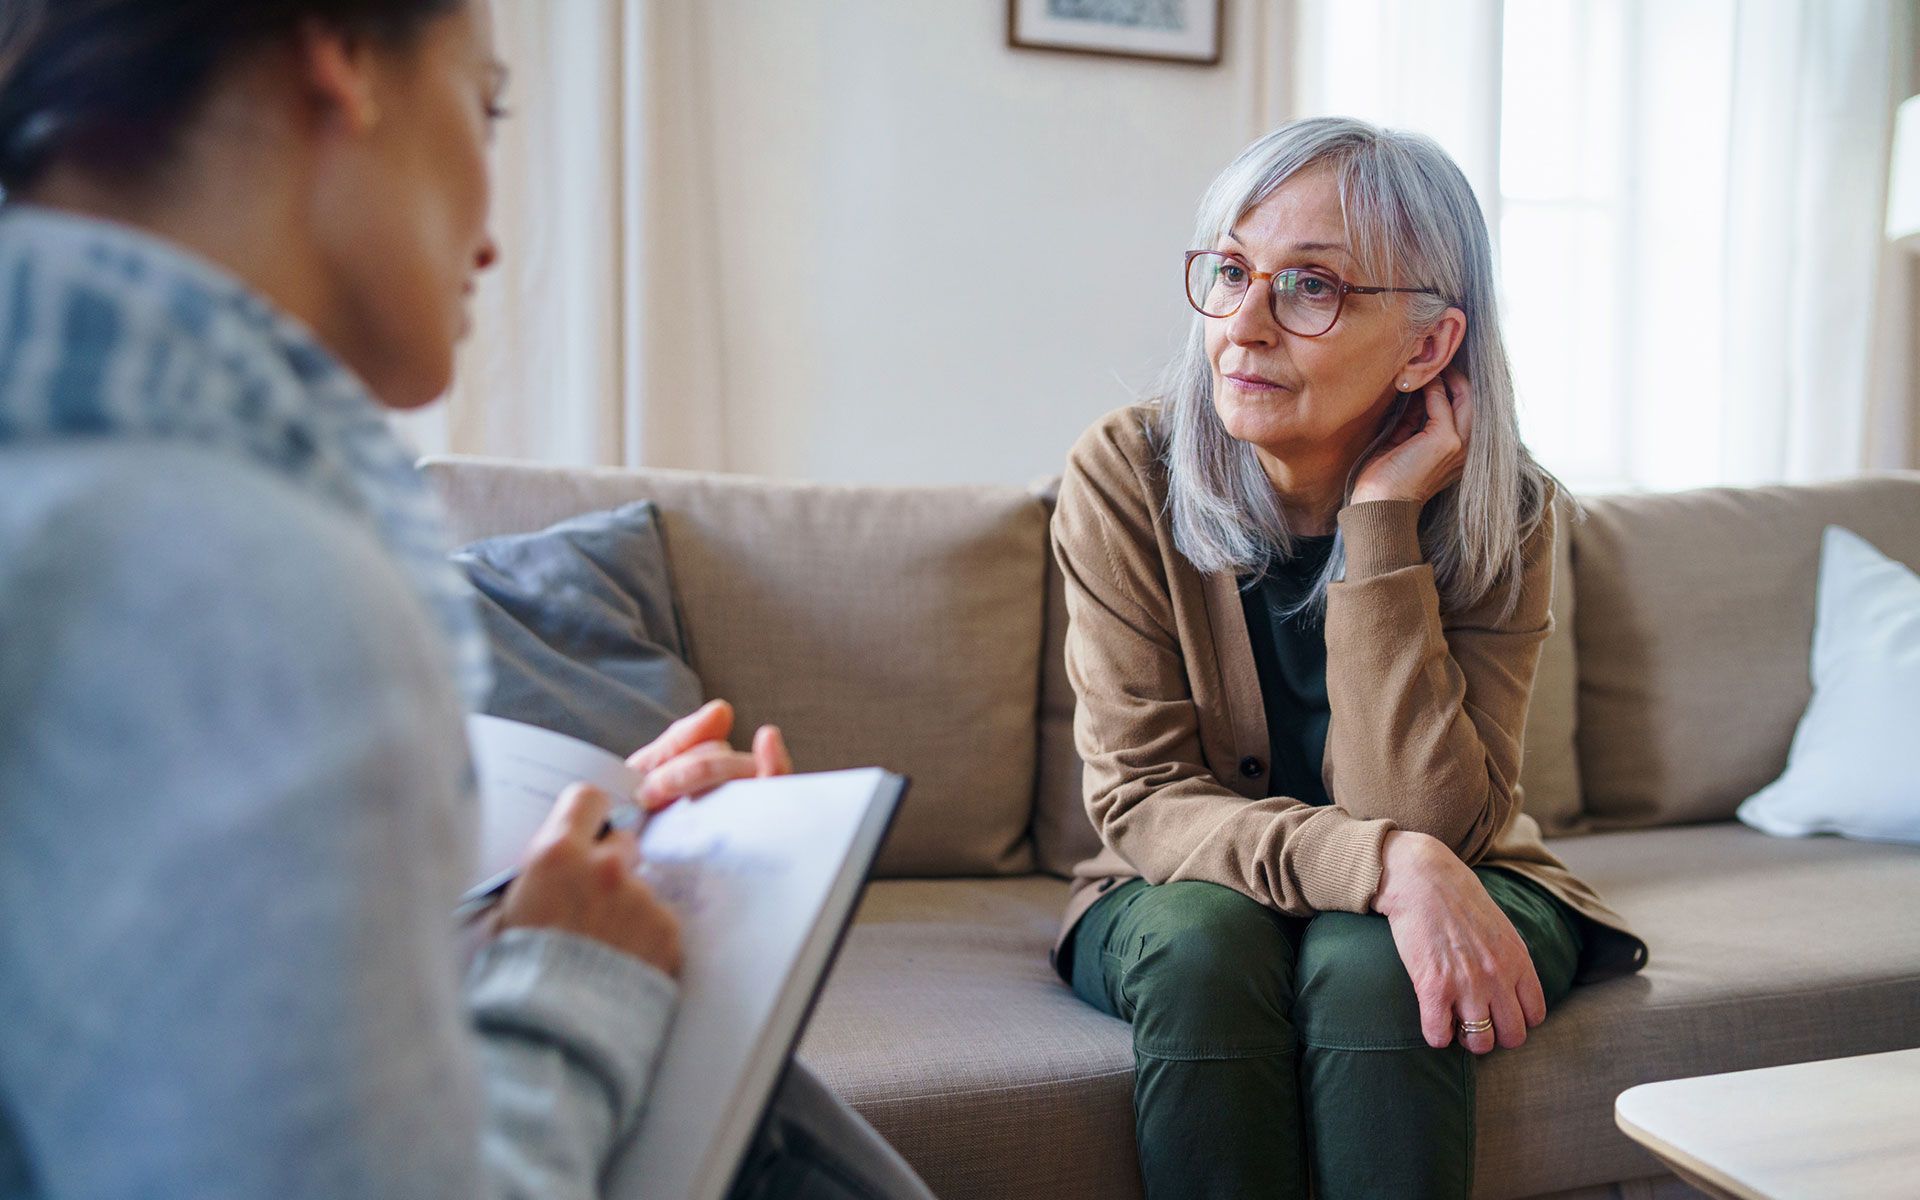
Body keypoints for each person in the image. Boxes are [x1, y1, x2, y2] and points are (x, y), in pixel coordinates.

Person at [0, 2, 933, 1198]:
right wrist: (573, 979)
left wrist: (550, 878)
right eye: (485, 106)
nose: (493, 236)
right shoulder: (252, 574)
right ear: (338, 57)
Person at [1051, 116, 1651, 1199]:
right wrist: (1383, 866)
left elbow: (1435, 824)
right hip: (1181, 888)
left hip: (1467, 866)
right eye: (1232, 271)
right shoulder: (1122, 475)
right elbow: (1141, 801)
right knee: (1202, 943)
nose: (1241, 325)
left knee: (1375, 960)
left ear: (1428, 347)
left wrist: (1381, 525)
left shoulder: (1504, 512)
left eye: (1311, 287)